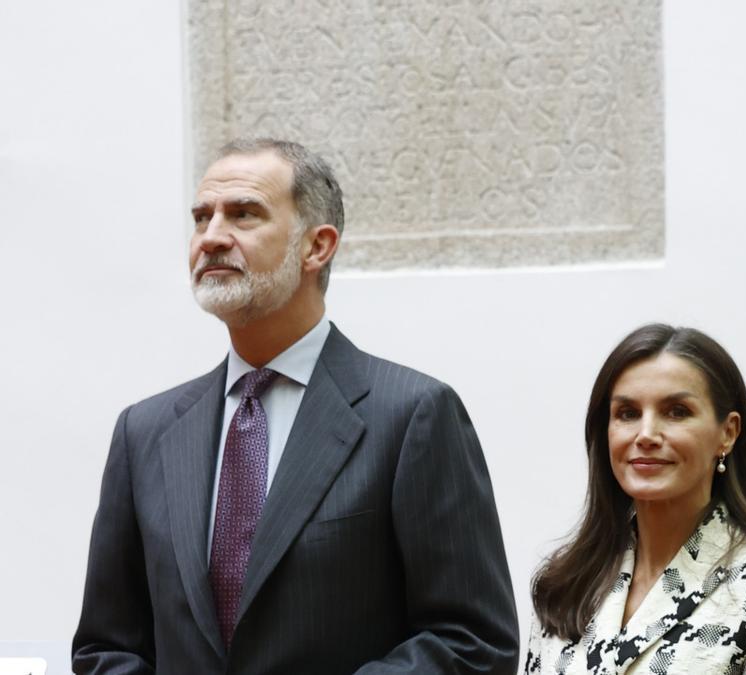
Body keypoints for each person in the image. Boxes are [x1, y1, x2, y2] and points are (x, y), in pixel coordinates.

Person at [73, 138, 519, 674]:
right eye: (201, 218)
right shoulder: (143, 431)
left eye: (243, 215)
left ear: (317, 246)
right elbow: (107, 648)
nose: (212, 237)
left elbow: (473, 642)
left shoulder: (413, 415)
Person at [525, 324, 746, 674]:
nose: (646, 434)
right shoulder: (567, 580)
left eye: (676, 412)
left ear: (728, 433)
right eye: (628, 414)